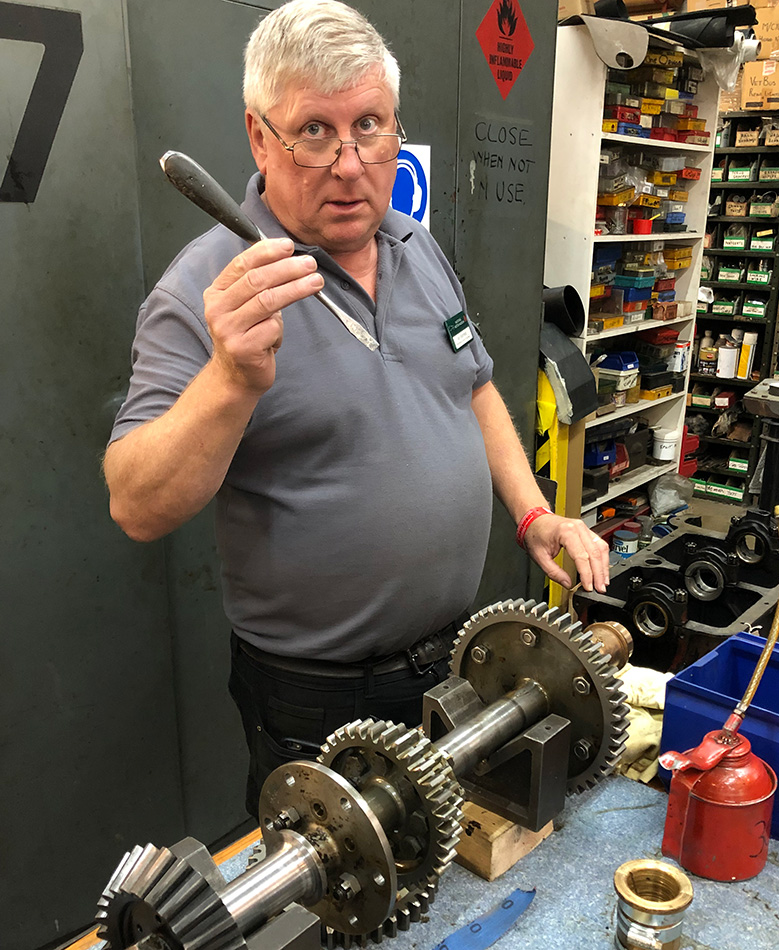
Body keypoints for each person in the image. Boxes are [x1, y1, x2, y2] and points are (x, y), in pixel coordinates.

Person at [104, 0, 609, 816]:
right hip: (318, 698)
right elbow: (135, 504)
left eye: (369, 127)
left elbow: (474, 386)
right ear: (258, 136)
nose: (349, 165)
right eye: (314, 131)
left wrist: (533, 515)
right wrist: (230, 378)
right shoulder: (208, 289)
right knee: (335, 885)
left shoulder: (414, 243)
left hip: (457, 660)